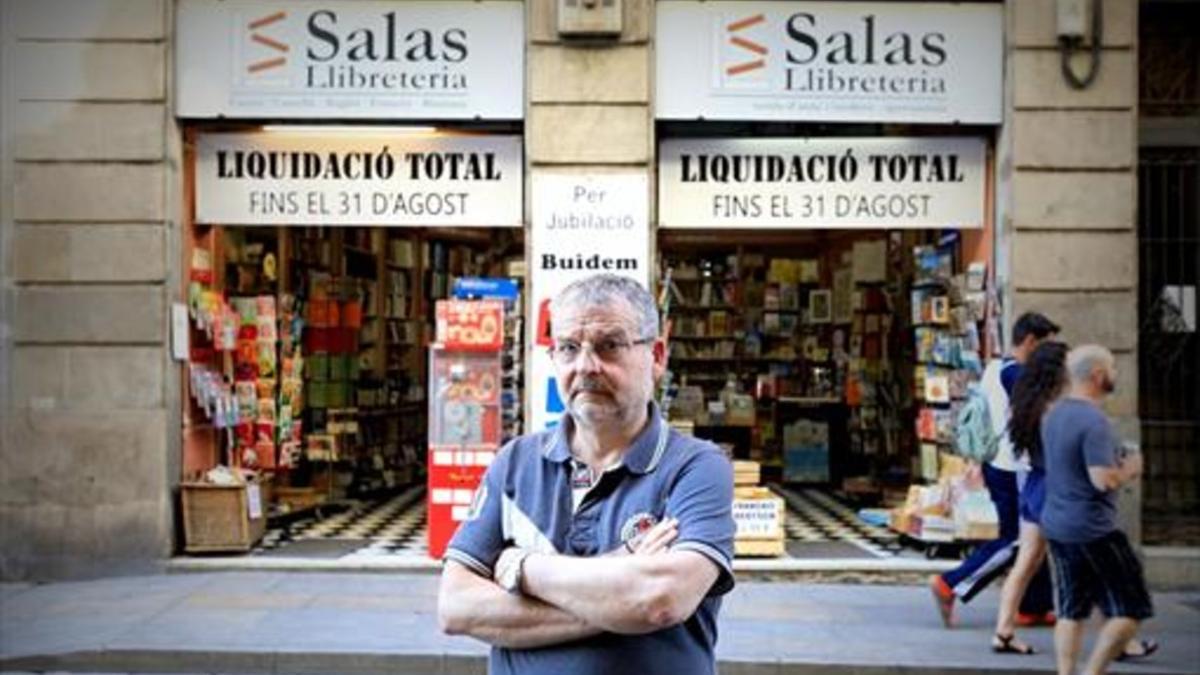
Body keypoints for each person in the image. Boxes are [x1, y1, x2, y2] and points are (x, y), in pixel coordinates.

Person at [437, 273, 736, 675]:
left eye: (609, 346)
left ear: (658, 357)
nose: (586, 366)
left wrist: (523, 568)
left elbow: (660, 599)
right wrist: (619, 583)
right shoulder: (515, 463)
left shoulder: (697, 467)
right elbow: (456, 607)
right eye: (568, 348)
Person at [931, 312, 1060, 627]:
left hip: (998, 464)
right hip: (1014, 466)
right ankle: (952, 583)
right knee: (1017, 539)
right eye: (1044, 346)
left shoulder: (994, 368)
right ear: (1030, 341)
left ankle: (1035, 605)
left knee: (1032, 534)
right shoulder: (1017, 374)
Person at [1041, 345, 1154, 675]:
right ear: (1097, 375)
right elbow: (1102, 480)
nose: (1117, 374)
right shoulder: (1094, 421)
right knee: (1130, 609)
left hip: (1058, 523)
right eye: (1113, 369)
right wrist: (1130, 469)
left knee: (1069, 611)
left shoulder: (1053, 414)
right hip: (1093, 528)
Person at [990, 340, 1070, 654]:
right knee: (1084, 563)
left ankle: (1003, 630)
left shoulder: (1028, 406)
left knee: (1026, 562)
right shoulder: (1054, 410)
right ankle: (1120, 637)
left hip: (1036, 486)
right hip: (1057, 489)